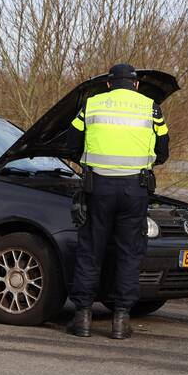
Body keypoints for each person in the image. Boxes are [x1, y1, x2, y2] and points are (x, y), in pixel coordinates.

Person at [66, 63, 169, 339]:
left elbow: (71, 142)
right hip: (135, 189)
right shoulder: (151, 107)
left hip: (97, 187)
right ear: (136, 84)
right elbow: (163, 149)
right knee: (129, 253)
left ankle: (83, 318)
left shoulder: (92, 104)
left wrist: (90, 162)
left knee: (90, 251)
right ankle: (121, 320)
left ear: (109, 84)